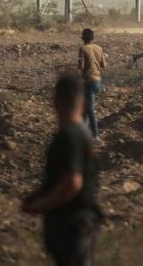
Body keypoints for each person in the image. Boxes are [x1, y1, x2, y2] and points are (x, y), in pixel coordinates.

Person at [22, 74, 102, 266]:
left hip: (71, 227)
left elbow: (72, 183)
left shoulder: (69, 136)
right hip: (81, 225)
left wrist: (40, 205)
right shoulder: (83, 134)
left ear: (56, 102)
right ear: (83, 104)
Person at [78, 28, 106, 139]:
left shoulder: (83, 49)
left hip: (88, 82)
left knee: (89, 109)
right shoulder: (99, 48)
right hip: (98, 81)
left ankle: (95, 134)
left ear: (82, 38)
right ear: (93, 38)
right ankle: (82, 133)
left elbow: (81, 67)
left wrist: (79, 63)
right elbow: (104, 65)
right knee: (86, 107)